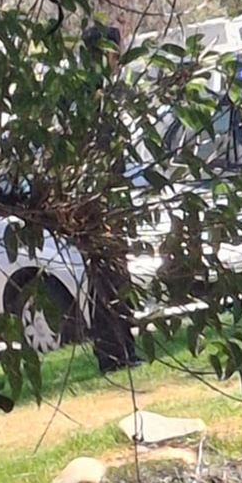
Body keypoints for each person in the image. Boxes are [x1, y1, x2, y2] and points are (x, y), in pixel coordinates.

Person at [80, 24, 140, 373]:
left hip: (109, 193)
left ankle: (122, 349)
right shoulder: (90, 94)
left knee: (115, 276)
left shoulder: (102, 91)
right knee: (109, 277)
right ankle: (114, 353)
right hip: (98, 197)